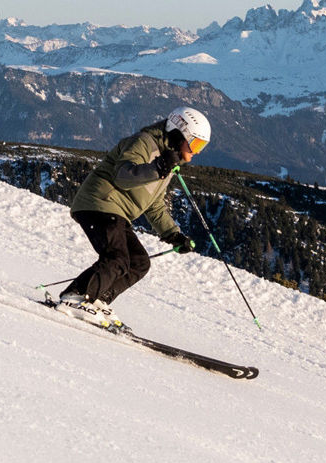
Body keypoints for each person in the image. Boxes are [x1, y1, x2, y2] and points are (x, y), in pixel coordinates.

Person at [56, 106, 212, 329]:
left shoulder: (168, 161)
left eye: (202, 146)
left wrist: (173, 234)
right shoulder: (143, 143)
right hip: (99, 203)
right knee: (117, 257)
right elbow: (123, 176)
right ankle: (76, 297)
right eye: (196, 144)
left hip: (115, 212)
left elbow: (153, 203)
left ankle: (97, 300)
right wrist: (158, 167)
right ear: (179, 134)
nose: (197, 151)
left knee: (139, 262)